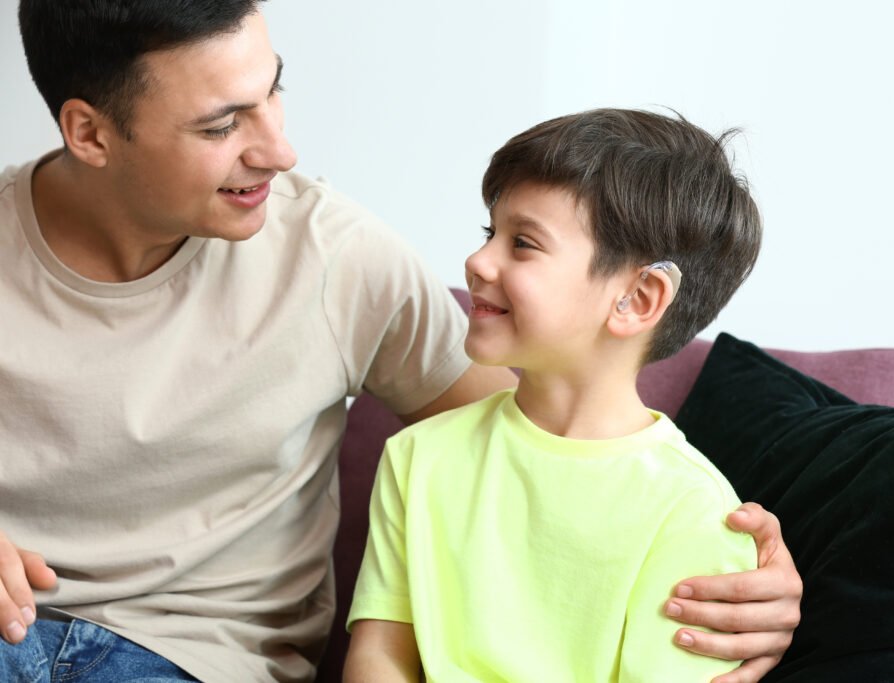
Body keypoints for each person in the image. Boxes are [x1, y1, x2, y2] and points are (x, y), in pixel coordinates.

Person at [0, 1, 800, 681]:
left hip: (193, 658)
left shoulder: (337, 258)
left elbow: (551, 435)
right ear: (90, 132)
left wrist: (750, 560)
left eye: (273, 91)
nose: (280, 150)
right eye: (221, 125)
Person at [343, 108, 770, 681]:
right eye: (489, 233)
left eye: (522, 243)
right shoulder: (418, 457)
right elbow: (381, 656)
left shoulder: (692, 510)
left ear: (638, 298)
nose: (477, 261)